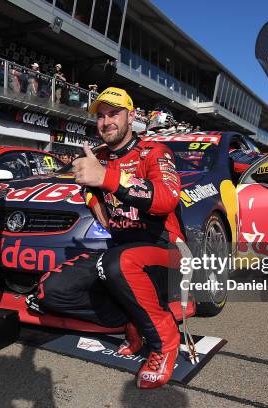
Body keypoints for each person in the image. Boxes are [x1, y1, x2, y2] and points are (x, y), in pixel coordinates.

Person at [33, 87, 183, 389]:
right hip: (120, 253)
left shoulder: (153, 153)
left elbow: (167, 198)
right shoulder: (98, 156)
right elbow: (86, 187)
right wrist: (93, 197)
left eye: (114, 113)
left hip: (165, 252)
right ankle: (133, 320)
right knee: (51, 291)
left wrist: (107, 178)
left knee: (117, 264)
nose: (106, 121)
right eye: (101, 116)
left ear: (131, 116)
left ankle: (165, 341)